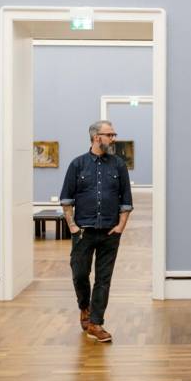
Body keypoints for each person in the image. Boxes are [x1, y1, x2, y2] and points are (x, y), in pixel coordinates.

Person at [60, 120, 133, 342]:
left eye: (113, 134)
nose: (113, 138)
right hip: (83, 232)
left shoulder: (118, 165)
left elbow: (126, 200)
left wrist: (120, 226)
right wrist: (72, 226)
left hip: (110, 233)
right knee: (80, 273)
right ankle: (84, 307)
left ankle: (96, 323)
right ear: (95, 137)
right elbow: (66, 198)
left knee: (104, 279)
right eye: (109, 134)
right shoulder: (77, 165)